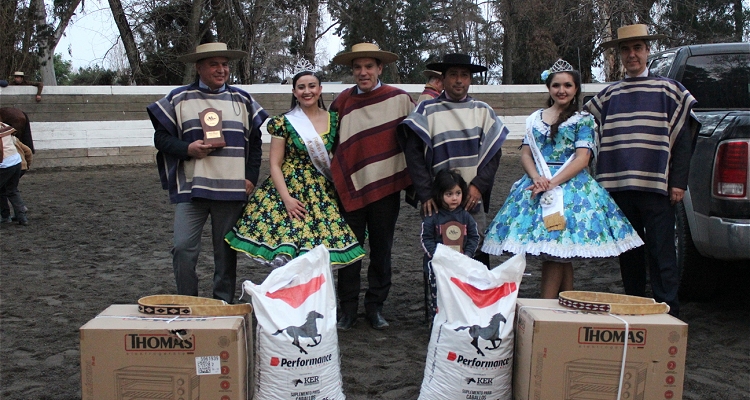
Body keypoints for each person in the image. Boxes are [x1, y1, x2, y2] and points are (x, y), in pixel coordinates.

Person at [482, 60, 644, 298]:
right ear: (549, 88)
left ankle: (548, 306)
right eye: (556, 85)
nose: (562, 90)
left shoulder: (583, 120)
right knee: (559, 251)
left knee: (558, 251)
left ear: (576, 88)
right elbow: (526, 154)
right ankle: (565, 304)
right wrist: (537, 178)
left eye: (568, 85)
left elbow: (582, 159)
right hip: (538, 185)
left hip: (571, 190)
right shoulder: (535, 119)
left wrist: (551, 183)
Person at [584, 24, 699, 317]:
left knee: (662, 253)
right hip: (620, 189)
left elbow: (683, 141)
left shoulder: (669, 91)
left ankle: (667, 312)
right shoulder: (609, 95)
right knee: (629, 254)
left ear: (648, 51)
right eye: (625, 49)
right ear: (620, 55)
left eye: (637, 48)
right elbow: (583, 131)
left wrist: (678, 183)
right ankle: (635, 309)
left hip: (657, 188)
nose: (631, 54)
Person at [146, 42, 268, 304]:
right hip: (192, 188)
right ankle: (188, 301)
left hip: (231, 188)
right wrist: (186, 148)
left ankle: (222, 303)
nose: (221, 69)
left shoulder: (243, 100)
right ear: (199, 67)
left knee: (224, 251)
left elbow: (255, 143)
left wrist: (250, 177)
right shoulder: (179, 98)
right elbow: (160, 138)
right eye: (214, 64)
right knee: (182, 248)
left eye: (224, 64)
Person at [224, 63, 365, 268]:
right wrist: (287, 200)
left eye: (312, 86)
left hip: (322, 190)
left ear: (320, 89)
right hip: (288, 189)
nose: (307, 91)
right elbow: (274, 164)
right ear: (294, 92)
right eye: (301, 87)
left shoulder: (335, 120)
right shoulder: (284, 122)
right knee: (287, 251)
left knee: (319, 252)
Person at [329, 43, 415, 330]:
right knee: (349, 251)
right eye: (357, 67)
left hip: (386, 188)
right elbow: (333, 145)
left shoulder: (400, 99)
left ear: (380, 69)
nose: (363, 72)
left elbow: (414, 142)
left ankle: (375, 307)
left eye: (369, 67)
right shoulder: (342, 102)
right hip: (350, 189)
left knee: (382, 249)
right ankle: (348, 309)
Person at [398, 53, 508, 268]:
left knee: (474, 247)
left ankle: (476, 300)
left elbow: (494, 155)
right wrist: (426, 193)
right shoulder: (426, 111)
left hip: (470, 198)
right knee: (437, 249)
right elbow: (413, 154)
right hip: (438, 200)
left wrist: (478, 187)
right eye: (453, 75)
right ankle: (437, 301)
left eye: (464, 75)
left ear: (470, 79)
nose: (459, 80)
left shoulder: (483, 111)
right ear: (443, 79)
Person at [420, 169, 479, 320]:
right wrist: (438, 256)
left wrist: (467, 255)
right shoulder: (433, 217)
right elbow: (426, 239)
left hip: (460, 264)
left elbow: (473, 237)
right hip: (437, 266)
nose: (454, 198)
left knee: (460, 295)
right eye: (449, 194)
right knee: (438, 296)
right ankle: (436, 322)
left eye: (458, 193)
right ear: (439, 194)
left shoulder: (466, 216)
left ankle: (457, 322)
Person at [0, 132, 32, 223]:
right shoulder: (4, 126)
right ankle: (22, 217)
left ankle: (5, 216)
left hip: (5, 164)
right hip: (17, 162)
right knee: (12, 190)